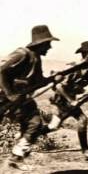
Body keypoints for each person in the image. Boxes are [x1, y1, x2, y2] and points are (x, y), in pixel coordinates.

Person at [0, 25, 60, 165]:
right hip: (4, 97)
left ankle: (17, 155)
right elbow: (1, 71)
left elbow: (39, 82)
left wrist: (54, 78)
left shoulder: (36, 59)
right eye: (48, 44)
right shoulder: (22, 54)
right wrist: (10, 94)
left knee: (35, 122)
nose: (50, 47)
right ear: (41, 44)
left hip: (20, 99)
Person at [42, 41, 88, 159]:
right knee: (53, 126)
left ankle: (85, 150)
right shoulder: (73, 68)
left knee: (82, 119)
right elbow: (59, 87)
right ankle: (28, 135)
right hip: (60, 101)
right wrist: (71, 100)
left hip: (70, 101)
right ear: (86, 55)